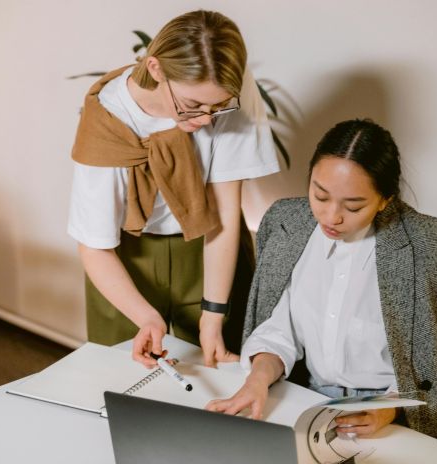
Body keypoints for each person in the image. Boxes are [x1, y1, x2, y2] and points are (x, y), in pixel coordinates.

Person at [206, 119, 437, 445]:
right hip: (302, 398)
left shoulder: (430, 243)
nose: (331, 217)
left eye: (353, 205)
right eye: (320, 195)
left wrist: (387, 409)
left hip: (397, 413)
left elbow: (434, 359)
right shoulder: (286, 222)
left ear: (385, 199)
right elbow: (278, 330)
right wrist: (258, 378)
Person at [68, 10, 280, 368]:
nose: (205, 120)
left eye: (218, 108)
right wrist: (147, 318)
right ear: (156, 69)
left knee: (217, 380)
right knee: (122, 380)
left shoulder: (228, 89)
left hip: (210, 247)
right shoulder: (107, 119)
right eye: (193, 105)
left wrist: (213, 316)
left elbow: (226, 215)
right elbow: (94, 246)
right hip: (124, 259)